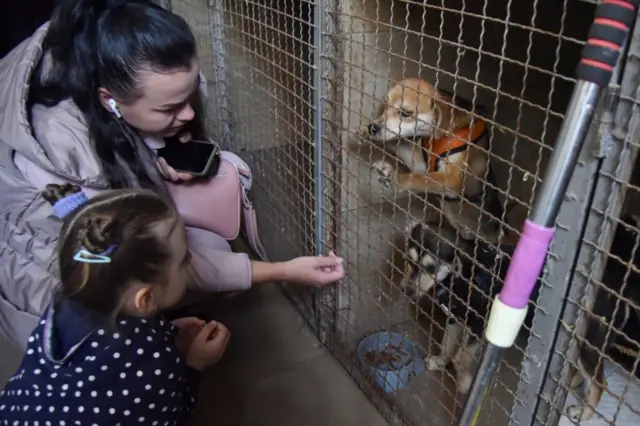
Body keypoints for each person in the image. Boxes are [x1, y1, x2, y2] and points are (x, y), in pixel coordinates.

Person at [0, 0, 345, 349]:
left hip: (107, 224)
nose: (188, 113)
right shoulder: (61, 155)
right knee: (160, 318)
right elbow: (147, 257)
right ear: (110, 101)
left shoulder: (115, 57)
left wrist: (159, 149)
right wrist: (283, 271)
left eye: (190, 95)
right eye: (170, 108)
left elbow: (153, 114)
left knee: (209, 246)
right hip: (54, 290)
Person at [0, 183, 232, 424]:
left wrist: (168, 330)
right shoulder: (154, 367)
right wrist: (195, 364)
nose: (191, 258)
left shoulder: (64, 304)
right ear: (145, 299)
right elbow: (175, 413)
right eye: (184, 260)